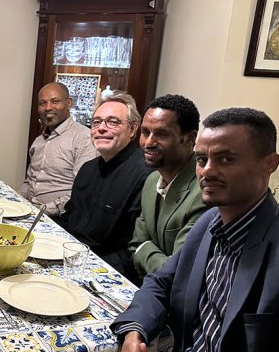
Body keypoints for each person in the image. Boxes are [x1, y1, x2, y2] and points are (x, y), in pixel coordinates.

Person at [109, 108, 279, 352]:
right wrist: (135, 333)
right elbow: (160, 283)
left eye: (226, 159)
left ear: (269, 164)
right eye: (201, 159)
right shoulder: (209, 223)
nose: (207, 170)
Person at [55, 91, 151, 283]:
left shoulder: (145, 176)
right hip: (69, 259)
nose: (101, 128)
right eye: (96, 122)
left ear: (132, 129)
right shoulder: (88, 169)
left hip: (105, 273)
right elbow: (69, 217)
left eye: (113, 122)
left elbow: (133, 251)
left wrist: (88, 271)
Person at [130, 94, 207, 277]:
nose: (148, 142)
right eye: (145, 132)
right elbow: (135, 245)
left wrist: (145, 250)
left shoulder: (204, 191)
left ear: (189, 138)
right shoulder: (151, 181)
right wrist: (148, 252)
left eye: (161, 134)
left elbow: (177, 272)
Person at [19, 82, 97, 216]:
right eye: (42, 103)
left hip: (61, 219)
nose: (48, 107)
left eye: (55, 101)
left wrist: (42, 210)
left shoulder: (83, 138)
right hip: (30, 212)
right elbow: (29, 182)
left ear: (68, 103)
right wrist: (16, 202)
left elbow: (82, 190)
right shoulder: (38, 141)